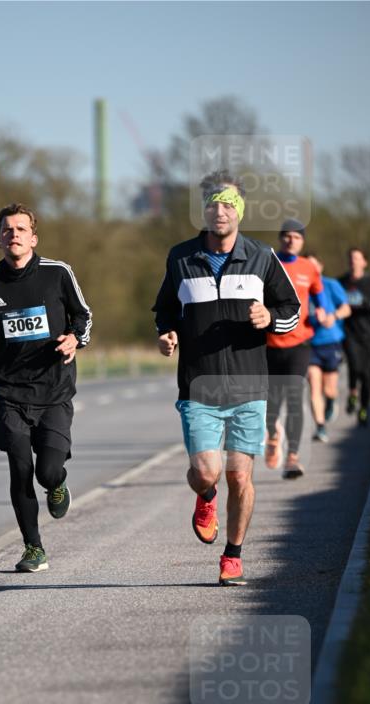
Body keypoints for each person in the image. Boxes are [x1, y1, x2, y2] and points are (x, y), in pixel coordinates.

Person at [153, 171, 300, 586]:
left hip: (249, 386)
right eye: (213, 204)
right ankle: (205, 497)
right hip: (198, 386)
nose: (220, 211)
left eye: (228, 203)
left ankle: (232, 556)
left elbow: (292, 309)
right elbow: (165, 310)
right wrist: (166, 334)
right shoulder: (180, 257)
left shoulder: (261, 256)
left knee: (240, 476)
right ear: (203, 210)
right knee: (206, 472)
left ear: (240, 209)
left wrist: (270, 317)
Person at [0, 202, 92, 572]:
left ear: (33, 237)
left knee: (47, 471)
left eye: (20, 228)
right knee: (19, 469)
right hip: (10, 393)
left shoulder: (57, 273)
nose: (13, 234)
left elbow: (84, 315)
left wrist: (75, 338)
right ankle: (33, 548)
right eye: (6, 230)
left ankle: (58, 484)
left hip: (54, 391)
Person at [265, 221, 327, 478]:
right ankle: (273, 435)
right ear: (281, 239)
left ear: (302, 242)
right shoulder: (267, 263)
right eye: (287, 236)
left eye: (296, 237)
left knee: (293, 397)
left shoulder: (308, 267)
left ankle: (293, 456)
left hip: (299, 343)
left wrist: (322, 311)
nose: (291, 241)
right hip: (268, 344)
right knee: (271, 403)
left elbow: (319, 294)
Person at [306, 253, 351, 442]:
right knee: (314, 388)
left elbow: (346, 308)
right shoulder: (300, 287)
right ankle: (320, 426)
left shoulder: (331, 285)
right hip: (309, 344)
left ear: (321, 267)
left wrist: (334, 317)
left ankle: (332, 401)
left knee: (329, 389)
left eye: (314, 266)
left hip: (331, 342)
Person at [338, 247, 370, 426]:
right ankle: (352, 393)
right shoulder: (342, 281)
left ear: (364, 262)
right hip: (349, 333)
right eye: (351, 258)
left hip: (368, 334)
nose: (353, 262)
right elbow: (331, 299)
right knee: (354, 365)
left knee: (367, 374)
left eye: (357, 258)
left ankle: (363, 407)